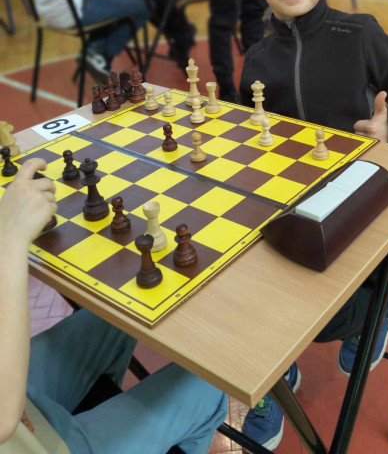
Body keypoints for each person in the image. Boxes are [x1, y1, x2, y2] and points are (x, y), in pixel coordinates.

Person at [237, 0, 388, 449]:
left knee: (320, 312)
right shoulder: (256, 57)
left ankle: (377, 301)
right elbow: (244, 126)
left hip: (368, 188)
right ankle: (275, 380)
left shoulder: (361, 33)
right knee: (238, 275)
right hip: (289, 193)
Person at [0, 157, 228, 454]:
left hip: (21, 408)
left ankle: (105, 405)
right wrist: (9, 239)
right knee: (208, 384)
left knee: (116, 315)